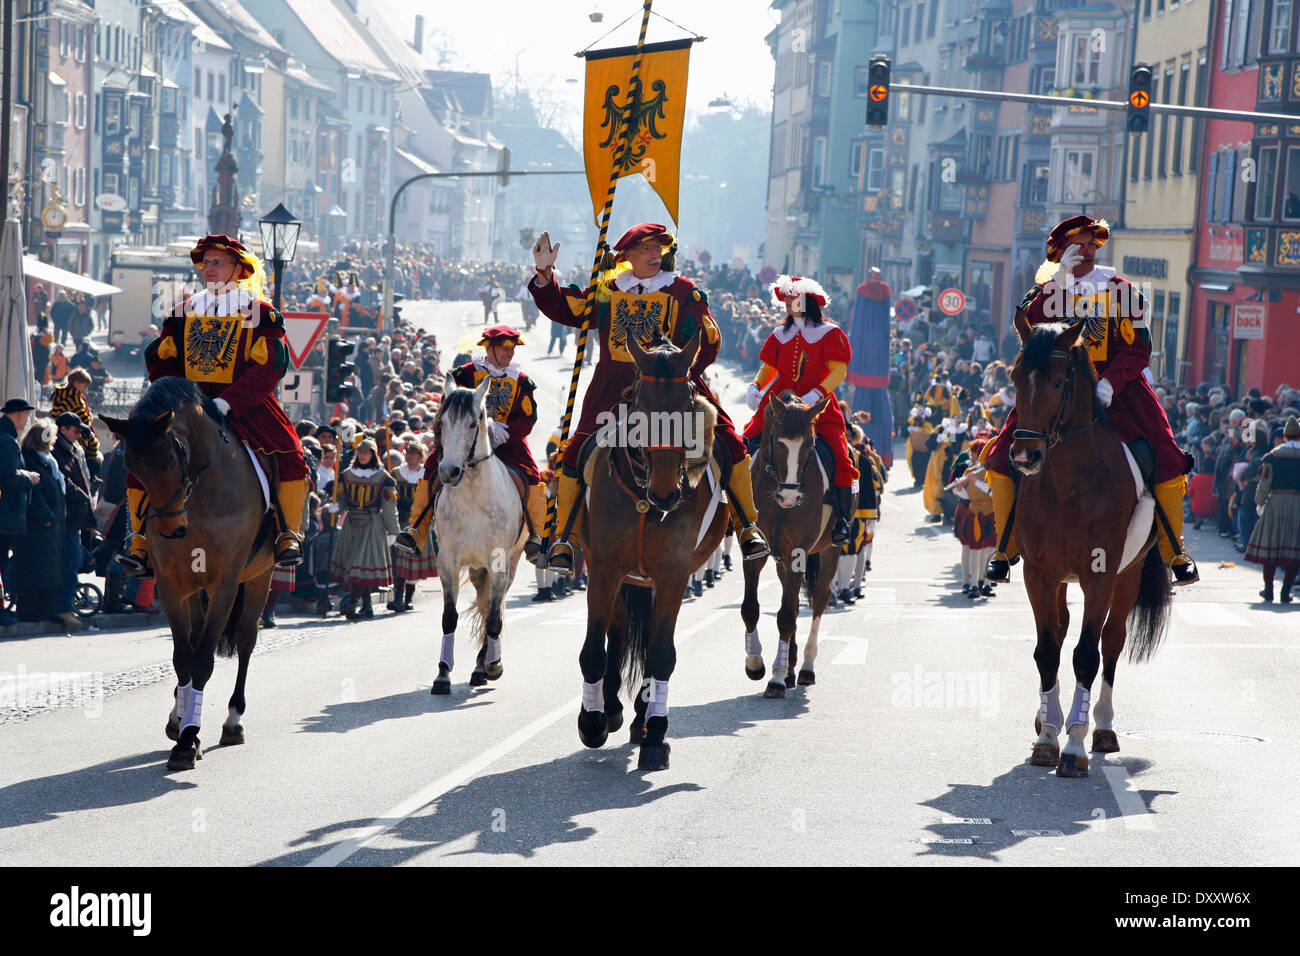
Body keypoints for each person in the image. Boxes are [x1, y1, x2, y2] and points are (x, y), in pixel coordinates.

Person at [529, 223, 769, 572]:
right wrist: (544, 273)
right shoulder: (609, 290)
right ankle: (566, 538)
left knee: (730, 442)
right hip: (613, 388)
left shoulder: (684, 292)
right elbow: (571, 309)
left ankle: (747, 526)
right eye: (645, 249)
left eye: (658, 248)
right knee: (576, 450)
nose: (655, 254)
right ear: (626, 256)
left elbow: (707, 341)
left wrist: (680, 371)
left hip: (670, 385)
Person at [983, 214, 1198, 586]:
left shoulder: (1122, 290)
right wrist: (1058, 284)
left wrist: (1110, 382)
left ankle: (1173, 551)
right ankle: (1006, 548)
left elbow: (1139, 348)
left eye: (1091, 245)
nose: (1086, 252)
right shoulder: (1044, 291)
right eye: (1076, 246)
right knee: (1001, 456)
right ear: (1059, 252)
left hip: (1118, 388)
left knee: (1166, 455)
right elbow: (1028, 333)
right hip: (1053, 387)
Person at [118, 235, 309, 576]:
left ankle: (287, 534)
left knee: (290, 454)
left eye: (217, 262)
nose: (209, 268)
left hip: (244, 405)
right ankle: (139, 541)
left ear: (238, 269)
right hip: (189, 406)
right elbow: (163, 362)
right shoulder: (182, 312)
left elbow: (269, 367)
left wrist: (227, 402)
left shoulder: (261, 314)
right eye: (205, 263)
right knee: (146, 455)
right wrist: (184, 398)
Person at [396, 325, 548, 564]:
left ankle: (537, 536)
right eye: (504, 348)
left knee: (533, 476)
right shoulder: (464, 374)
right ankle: (417, 529)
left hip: (507, 440)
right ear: (489, 348)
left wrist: (505, 431)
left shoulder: (521, 381)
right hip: (465, 437)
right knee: (432, 466)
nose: (510, 354)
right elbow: (447, 409)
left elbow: (529, 418)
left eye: (512, 349)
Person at [742, 275, 859, 544]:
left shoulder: (830, 334)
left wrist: (816, 393)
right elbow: (768, 368)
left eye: (793, 298)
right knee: (741, 448)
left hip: (818, 409)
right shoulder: (779, 333)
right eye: (785, 298)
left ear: (808, 301)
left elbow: (839, 370)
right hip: (779, 406)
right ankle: (734, 511)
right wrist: (755, 387)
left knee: (842, 458)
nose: (788, 303)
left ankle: (841, 518)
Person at [14, 420, 79, 630]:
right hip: (41, 525)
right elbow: (37, 493)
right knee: (36, 567)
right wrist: (47, 517)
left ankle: (46, 608)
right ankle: (33, 610)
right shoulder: (32, 460)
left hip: (54, 525)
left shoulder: (49, 460)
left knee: (51, 567)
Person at [328, 438, 398, 619]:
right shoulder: (347, 475)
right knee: (355, 566)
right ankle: (365, 605)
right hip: (351, 523)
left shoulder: (383, 478)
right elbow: (343, 499)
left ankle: (353, 600)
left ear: (373, 455)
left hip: (373, 524)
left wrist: (393, 531)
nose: (363, 456)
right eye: (360, 452)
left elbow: (389, 508)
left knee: (362, 565)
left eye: (366, 452)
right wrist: (337, 507)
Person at [1245, 416, 1300, 603]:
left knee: (1270, 548)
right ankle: (1286, 591)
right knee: (1294, 550)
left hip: (1275, 501)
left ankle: (1268, 590)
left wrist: (1259, 502)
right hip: (1298, 504)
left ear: (1284, 436)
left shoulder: (1273, 456)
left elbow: (1264, 483)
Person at [0, 398, 41, 626]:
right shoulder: (7, 441)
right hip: (5, 512)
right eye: (25, 415)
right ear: (17, 415)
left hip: (5, 512)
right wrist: (29, 477)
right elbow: (7, 477)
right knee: (1, 562)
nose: (26, 421)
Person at [389, 437, 437, 611]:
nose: (410, 456)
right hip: (401, 521)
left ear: (420, 455)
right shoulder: (396, 473)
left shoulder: (427, 475)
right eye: (408, 453)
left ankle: (408, 599)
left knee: (413, 562)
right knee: (400, 563)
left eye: (414, 453)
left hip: (420, 524)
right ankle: (398, 599)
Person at [50, 368, 102, 479]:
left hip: (64, 427)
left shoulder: (62, 394)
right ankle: (90, 474)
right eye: (84, 386)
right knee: (93, 444)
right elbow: (83, 418)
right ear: (76, 383)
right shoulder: (73, 397)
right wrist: (88, 420)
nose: (86, 389)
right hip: (74, 428)